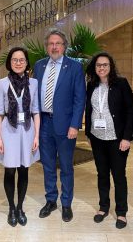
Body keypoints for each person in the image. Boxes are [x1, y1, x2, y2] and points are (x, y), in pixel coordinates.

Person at [33, 28, 86, 222]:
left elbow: (80, 99)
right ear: (46, 47)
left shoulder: (74, 67)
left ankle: (66, 203)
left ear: (64, 46)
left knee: (66, 166)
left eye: (58, 43)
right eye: (51, 44)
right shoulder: (38, 66)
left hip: (65, 125)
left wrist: (75, 125)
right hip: (44, 122)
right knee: (47, 165)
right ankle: (51, 200)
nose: (54, 47)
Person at [85, 52, 133, 229]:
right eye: (99, 65)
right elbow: (89, 110)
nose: (102, 68)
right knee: (102, 174)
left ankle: (121, 212)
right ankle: (103, 207)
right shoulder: (91, 85)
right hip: (97, 138)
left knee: (119, 176)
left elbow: (130, 111)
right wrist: (89, 135)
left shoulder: (121, 84)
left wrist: (127, 137)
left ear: (111, 66)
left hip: (117, 139)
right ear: (94, 67)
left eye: (105, 64)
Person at [0, 47, 40, 227]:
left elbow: (35, 111)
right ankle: (11, 208)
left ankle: (20, 207)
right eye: (15, 60)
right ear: (9, 62)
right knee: (10, 170)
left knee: (24, 169)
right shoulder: (1, 83)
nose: (18, 63)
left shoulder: (34, 83)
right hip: (9, 131)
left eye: (21, 60)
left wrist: (36, 135)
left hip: (27, 131)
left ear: (27, 62)